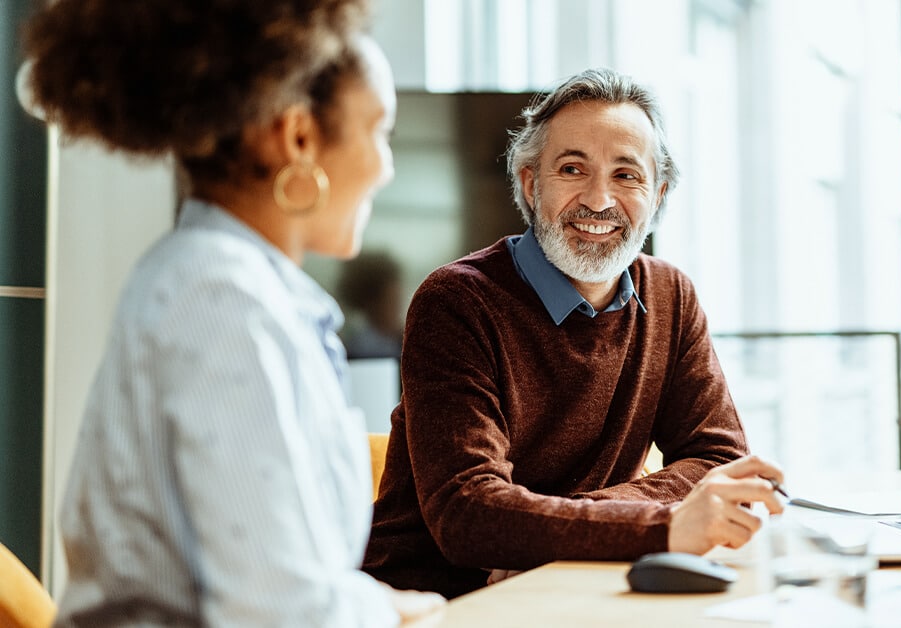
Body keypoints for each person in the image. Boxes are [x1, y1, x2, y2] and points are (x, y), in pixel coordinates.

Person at [21, 1, 444, 625]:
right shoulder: (223, 301)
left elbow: (280, 575)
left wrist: (379, 604)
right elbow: (279, 612)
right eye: (378, 131)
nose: (386, 165)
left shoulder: (223, 282)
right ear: (297, 137)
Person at [363, 67, 785, 599]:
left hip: (589, 581)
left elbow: (719, 460)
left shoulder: (671, 295)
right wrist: (661, 526)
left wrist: (550, 540)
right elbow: (467, 513)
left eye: (627, 175)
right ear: (530, 184)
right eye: (572, 168)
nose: (600, 200)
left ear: (657, 195)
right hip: (441, 600)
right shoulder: (456, 301)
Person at [338, 250, 405, 360]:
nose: (398, 309)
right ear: (372, 304)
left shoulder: (400, 338)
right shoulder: (358, 346)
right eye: (392, 302)